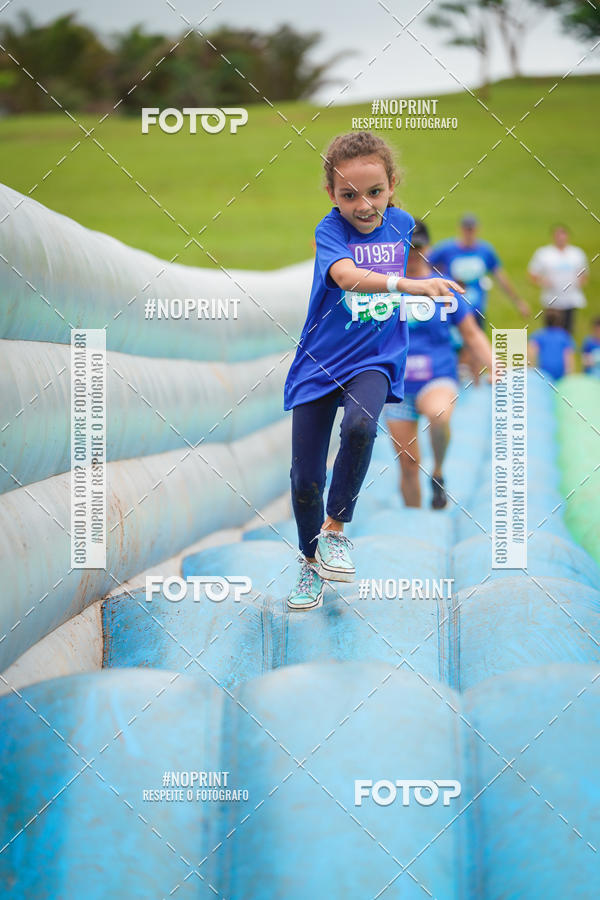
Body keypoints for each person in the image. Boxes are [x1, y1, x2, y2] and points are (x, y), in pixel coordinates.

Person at [283, 131, 464, 611]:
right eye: (349, 195)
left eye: (375, 192)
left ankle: (336, 528)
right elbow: (344, 276)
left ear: (392, 183)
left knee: (362, 426)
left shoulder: (402, 224)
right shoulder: (331, 231)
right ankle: (308, 564)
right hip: (320, 362)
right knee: (304, 481)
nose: (364, 205)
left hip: (374, 357)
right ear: (331, 195)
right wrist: (406, 284)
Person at [384, 220, 494, 510]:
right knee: (407, 464)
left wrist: (493, 364)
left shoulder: (444, 288)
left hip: (438, 377)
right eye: (407, 248)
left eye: (418, 248)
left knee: (439, 414)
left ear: (428, 249)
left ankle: (439, 471)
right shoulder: (385, 288)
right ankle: (415, 524)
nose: (413, 254)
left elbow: (472, 333)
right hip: (398, 386)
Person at [428, 213, 529, 329]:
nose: (469, 233)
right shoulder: (446, 249)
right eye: (466, 229)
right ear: (460, 229)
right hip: (453, 310)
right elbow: (426, 265)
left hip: (476, 311)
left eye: (471, 229)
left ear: (477, 230)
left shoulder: (485, 251)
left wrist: (517, 301)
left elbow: (501, 277)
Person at [528, 224, 589, 334]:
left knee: (568, 331)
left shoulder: (577, 254)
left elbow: (584, 274)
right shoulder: (544, 254)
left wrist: (579, 282)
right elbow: (532, 274)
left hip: (570, 299)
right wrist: (543, 282)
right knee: (551, 331)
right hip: (552, 300)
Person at [528, 308, 575, 380]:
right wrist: (569, 374)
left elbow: (531, 353)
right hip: (560, 373)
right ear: (560, 321)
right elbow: (568, 355)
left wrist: (531, 370)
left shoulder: (539, 335)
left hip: (543, 372)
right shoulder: (564, 336)